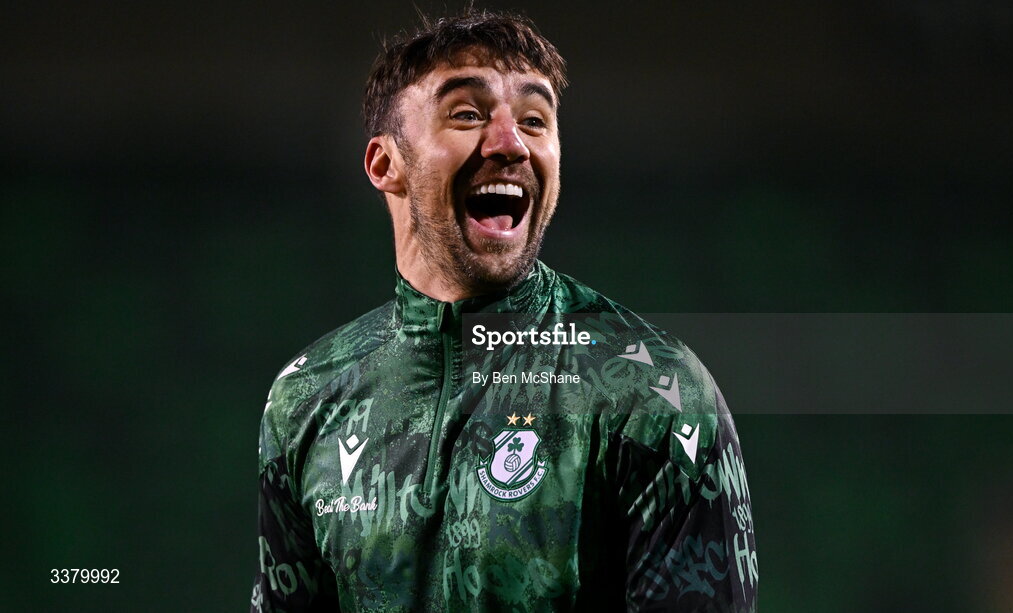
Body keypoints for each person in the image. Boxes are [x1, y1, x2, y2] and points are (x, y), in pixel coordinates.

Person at [252, 9, 757, 612]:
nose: (511, 143)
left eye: (534, 120)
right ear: (386, 164)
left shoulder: (652, 392)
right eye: (467, 113)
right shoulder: (307, 398)